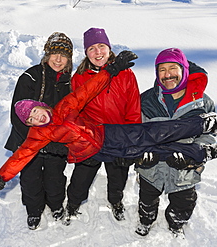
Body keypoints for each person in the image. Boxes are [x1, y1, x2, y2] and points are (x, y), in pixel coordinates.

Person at [0, 51, 217, 224]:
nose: (37, 119)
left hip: (109, 133)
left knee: (155, 133)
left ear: (41, 106)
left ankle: (205, 123)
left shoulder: (64, 107)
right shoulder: (39, 135)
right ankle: (208, 152)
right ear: (29, 124)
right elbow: (20, 157)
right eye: (31, 120)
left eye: (36, 112)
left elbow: (89, 89)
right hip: (96, 152)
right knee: (160, 152)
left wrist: (111, 69)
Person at [135, 48, 217, 237]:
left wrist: (193, 153)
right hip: (151, 168)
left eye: (172, 68)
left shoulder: (202, 102)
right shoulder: (146, 100)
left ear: (184, 69)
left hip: (185, 168)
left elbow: (210, 134)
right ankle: (146, 220)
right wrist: (141, 154)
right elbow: (136, 131)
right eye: (162, 69)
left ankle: (176, 223)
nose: (167, 75)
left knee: (184, 202)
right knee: (147, 198)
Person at [65, 27, 142, 224]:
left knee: (118, 178)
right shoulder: (79, 78)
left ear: (109, 48)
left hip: (118, 137)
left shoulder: (126, 74)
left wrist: (131, 142)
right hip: (92, 138)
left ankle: (115, 202)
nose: (98, 52)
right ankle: (72, 205)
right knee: (80, 179)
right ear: (86, 53)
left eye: (101, 46)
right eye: (92, 48)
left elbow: (133, 109)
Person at [3, 32, 73, 230]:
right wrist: (35, 141)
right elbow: (18, 115)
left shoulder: (69, 82)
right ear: (46, 55)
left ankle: (56, 205)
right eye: (54, 54)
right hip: (28, 141)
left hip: (56, 144)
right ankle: (34, 211)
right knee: (30, 178)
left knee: (55, 178)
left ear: (69, 59)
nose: (58, 60)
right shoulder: (31, 76)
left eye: (64, 55)